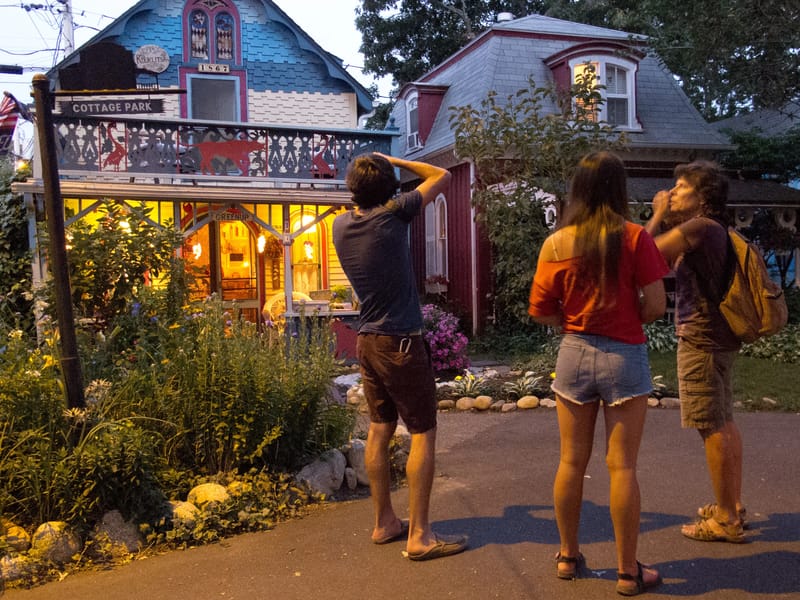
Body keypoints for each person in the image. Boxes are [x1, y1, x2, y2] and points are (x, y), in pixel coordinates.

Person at [528, 151, 668, 596]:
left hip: (573, 353)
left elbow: (539, 310)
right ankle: (628, 572)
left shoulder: (556, 244)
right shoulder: (634, 238)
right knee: (622, 466)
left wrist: (571, 321)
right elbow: (657, 304)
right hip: (625, 355)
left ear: (578, 189)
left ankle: (568, 556)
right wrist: (626, 317)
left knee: (571, 460)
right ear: (618, 190)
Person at [332, 152, 468, 561]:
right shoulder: (392, 217)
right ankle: (420, 535)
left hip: (368, 341)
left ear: (353, 188)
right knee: (423, 432)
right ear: (389, 188)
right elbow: (441, 174)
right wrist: (391, 158)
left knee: (379, 430)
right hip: (402, 344)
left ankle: (385, 522)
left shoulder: (340, 225)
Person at [644, 160, 747, 543]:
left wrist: (656, 216)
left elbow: (644, 256)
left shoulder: (699, 228)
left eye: (681, 186)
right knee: (725, 422)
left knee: (712, 426)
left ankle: (725, 520)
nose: (672, 192)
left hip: (701, 339)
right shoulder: (715, 228)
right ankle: (731, 505)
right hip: (720, 338)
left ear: (702, 196)